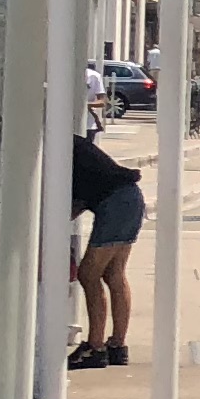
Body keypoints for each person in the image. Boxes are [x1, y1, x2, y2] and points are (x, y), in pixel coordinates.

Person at [69, 127, 143, 367]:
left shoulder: (60, 153)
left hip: (115, 204)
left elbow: (73, 203)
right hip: (131, 196)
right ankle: (118, 345)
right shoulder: (76, 146)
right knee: (114, 273)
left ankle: (95, 347)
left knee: (88, 274)